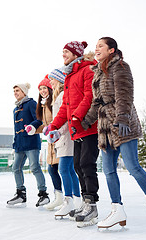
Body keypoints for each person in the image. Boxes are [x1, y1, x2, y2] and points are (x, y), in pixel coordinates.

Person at [81, 37, 146, 232]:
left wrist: (122, 117)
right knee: (109, 170)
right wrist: (85, 121)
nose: (96, 49)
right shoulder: (98, 72)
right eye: (95, 47)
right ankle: (117, 210)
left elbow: (125, 94)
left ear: (112, 49)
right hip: (105, 127)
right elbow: (97, 102)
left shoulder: (120, 66)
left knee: (133, 166)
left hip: (122, 124)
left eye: (100, 46)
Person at [47, 41, 99, 227]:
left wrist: (77, 117)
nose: (63, 55)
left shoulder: (87, 69)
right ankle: (85, 203)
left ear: (76, 53)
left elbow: (89, 96)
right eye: (62, 52)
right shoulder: (70, 76)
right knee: (77, 165)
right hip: (76, 129)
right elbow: (65, 108)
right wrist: (53, 125)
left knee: (86, 164)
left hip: (88, 126)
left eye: (66, 52)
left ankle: (91, 204)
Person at [45, 68, 82, 218]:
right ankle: (76, 200)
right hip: (63, 137)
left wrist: (57, 132)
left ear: (59, 80)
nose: (50, 83)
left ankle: (69, 201)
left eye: (52, 79)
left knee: (64, 169)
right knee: (69, 170)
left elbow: (66, 119)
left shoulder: (61, 96)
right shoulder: (58, 97)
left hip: (65, 138)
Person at [7, 83, 50, 208]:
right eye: (14, 91)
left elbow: (39, 119)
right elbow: (16, 128)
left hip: (31, 142)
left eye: (17, 90)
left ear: (24, 92)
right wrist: (15, 143)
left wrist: (32, 126)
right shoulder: (15, 109)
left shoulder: (31, 103)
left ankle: (43, 194)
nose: (15, 93)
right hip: (20, 144)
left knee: (34, 167)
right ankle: (21, 194)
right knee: (16, 167)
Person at [34, 76, 63, 210]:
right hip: (51, 141)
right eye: (40, 89)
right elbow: (45, 125)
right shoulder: (43, 105)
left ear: (50, 89)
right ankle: (59, 196)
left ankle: (70, 197)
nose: (42, 91)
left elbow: (57, 120)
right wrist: (33, 129)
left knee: (63, 169)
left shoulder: (54, 102)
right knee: (52, 169)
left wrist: (50, 128)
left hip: (59, 139)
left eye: (44, 88)